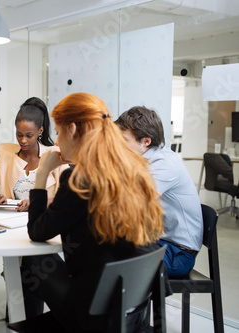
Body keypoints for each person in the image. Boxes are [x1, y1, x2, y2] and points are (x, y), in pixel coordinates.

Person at [21, 92, 165, 332]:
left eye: (58, 131)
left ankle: (29, 321)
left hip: (93, 316)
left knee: (33, 260)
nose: (56, 141)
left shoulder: (78, 179)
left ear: (73, 129)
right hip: (134, 313)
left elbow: (37, 231)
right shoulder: (134, 168)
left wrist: (41, 175)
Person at [115, 106, 203, 277]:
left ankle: (123, 303)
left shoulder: (164, 165)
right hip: (159, 243)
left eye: (123, 140)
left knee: (110, 256)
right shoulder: (143, 159)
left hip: (177, 254)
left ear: (145, 141)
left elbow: (129, 202)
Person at [0, 97, 68, 211]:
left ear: (40, 131)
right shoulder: (6, 153)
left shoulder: (55, 154)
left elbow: (67, 198)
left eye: (29, 135)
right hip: (11, 218)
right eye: (19, 134)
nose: (23, 140)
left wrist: (36, 203)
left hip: (44, 219)